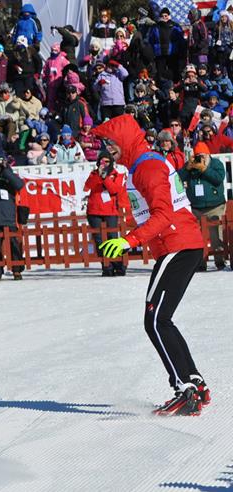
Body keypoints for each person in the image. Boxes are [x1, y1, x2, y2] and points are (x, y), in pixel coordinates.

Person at [91, 114, 210, 416]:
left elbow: (163, 215)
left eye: (111, 142)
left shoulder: (147, 166)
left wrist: (128, 241)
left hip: (177, 244)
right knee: (161, 319)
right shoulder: (139, 166)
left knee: (155, 320)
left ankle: (184, 388)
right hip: (179, 244)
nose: (108, 148)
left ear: (126, 139)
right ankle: (194, 381)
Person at [178, 142, 227, 271]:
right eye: (198, 155)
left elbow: (218, 178)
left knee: (216, 236)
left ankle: (220, 261)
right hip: (196, 208)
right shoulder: (191, 165)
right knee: (198, 238)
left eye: (203, 155)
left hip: (215, 206)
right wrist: (187, 168)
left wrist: (204, 169)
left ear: (208, 154)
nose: (201, 158)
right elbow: (177, 179)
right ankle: (200, 262)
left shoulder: (216, 164)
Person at [84, 151, 127, 276]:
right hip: (94, 210)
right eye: (103, 161)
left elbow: (114, 190)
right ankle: (106, 265)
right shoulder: (93, 174)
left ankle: (118, 265)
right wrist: (98, 175)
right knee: (99, 240)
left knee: (113, 238)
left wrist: (105, 178)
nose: (105, 164)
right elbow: (88, 186)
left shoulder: (116, 175)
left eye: (107, 161)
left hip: (110, 211)